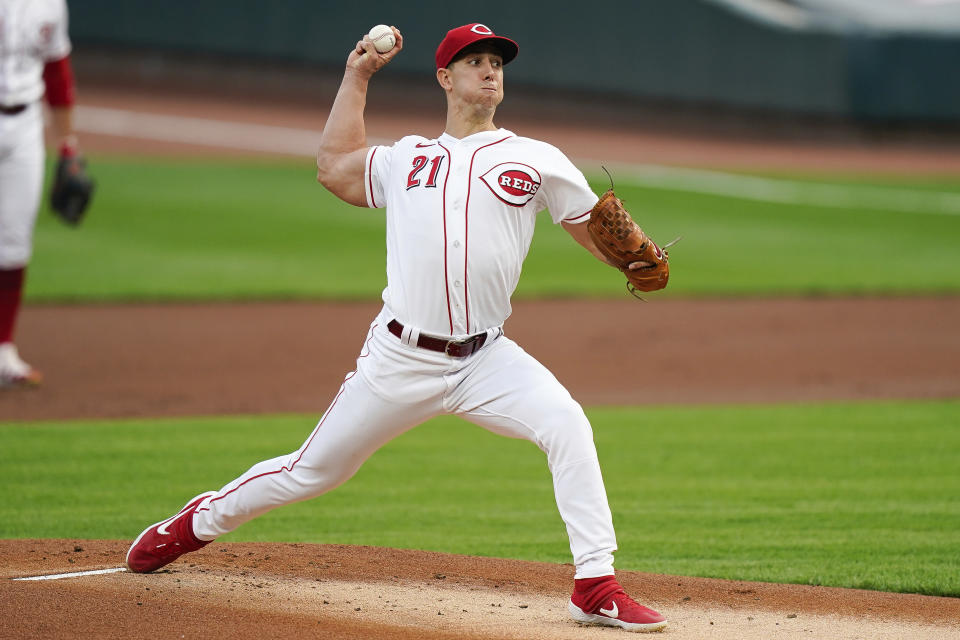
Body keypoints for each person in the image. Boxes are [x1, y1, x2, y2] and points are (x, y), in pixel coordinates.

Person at [126, 23, 668, 633]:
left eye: (497, 62)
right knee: (313, 471)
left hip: (486, 359)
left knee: (567, 424)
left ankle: (595, 583)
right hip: (398, 360)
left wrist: (630, 258)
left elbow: (593, 233)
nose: (490, 71)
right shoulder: (407, 157)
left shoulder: (537, 158)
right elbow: (334, 168)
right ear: (445, 77)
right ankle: (194, 525)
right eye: (475, 62)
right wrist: (357, 75)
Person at [0, 0, 83, 388]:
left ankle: (3, 351)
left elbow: (56, 71)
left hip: (25, 127)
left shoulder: (51, 3)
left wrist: (67, 145)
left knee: (15, 243)